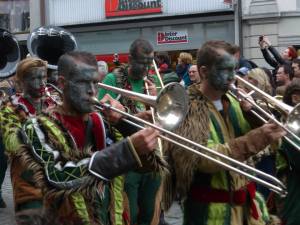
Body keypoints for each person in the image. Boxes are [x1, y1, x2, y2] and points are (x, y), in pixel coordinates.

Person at [13, 51, 165, 225]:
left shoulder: (102, 120)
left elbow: (147, 167)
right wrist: (126, 150)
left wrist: (125, 122)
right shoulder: (35, 128)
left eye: (95, 82)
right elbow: (57, 175)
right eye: (83, 83)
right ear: (62, 83)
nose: (92, 91)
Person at [163, 40, 286, 225]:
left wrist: (255, 119)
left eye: (234, 69)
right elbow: (203, 159)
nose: (232, 77)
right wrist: (257, 137)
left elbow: (273, 148)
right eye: (225, 70)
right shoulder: (186, 108)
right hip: (209, 214)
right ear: (204, 72)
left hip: (246, 210)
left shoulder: (236, 102)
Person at [99, 38, 164, 225]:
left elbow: (163, 122)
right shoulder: (113, 79)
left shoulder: (151, 83)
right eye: (142, 63)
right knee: (130, 213)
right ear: (130, 59)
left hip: (151, 155)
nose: (146, 68)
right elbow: (101, 114)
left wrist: (155, 100)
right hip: (127, 157)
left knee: (150, 211)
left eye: (149, 63)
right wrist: (136, 115)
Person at [0, 57, 51, 217]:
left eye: (43, 77)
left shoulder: (54, 103)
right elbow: (12, 144)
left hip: (56, 178)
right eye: (35, 78)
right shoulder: (9, 108)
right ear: (21, 82)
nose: (41, 83)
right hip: (26, 178)